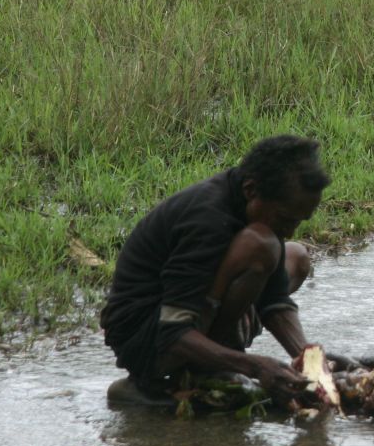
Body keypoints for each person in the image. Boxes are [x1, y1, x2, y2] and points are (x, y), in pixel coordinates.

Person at [101, 135, 329, 405]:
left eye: (298, 221)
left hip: (194, 310)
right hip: (146, 338)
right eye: (283, 218)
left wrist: (308, 359)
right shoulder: (207, 220)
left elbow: (275, 301)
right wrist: (254, 366)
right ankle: (170, 376)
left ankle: (215, 354)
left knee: (296, 256)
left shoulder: (259, 210)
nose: (289, 230)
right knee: (262, 246)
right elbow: (172, 332)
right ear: (251, 190)